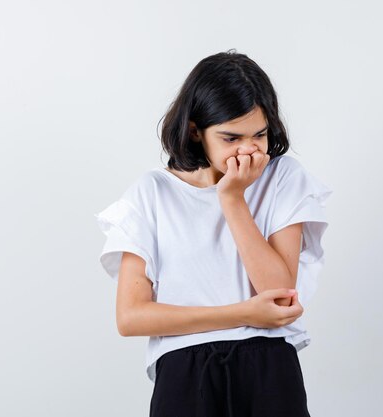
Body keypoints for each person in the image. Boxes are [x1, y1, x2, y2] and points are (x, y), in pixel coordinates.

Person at [94, 49, 333, 417]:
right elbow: (131, 317)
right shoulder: (152, 192)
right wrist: (243, 313)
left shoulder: (284, 177)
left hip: (268, 365)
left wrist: (233, 198)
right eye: (231, 137)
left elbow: (279, 295)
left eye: (260, 134)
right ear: (195, 131)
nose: (249, 149)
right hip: (185, 373)